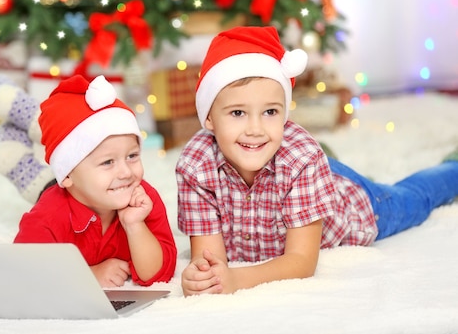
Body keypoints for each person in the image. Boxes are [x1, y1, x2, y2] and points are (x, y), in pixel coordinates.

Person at [176, 26, 458, 296]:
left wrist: (236, 279)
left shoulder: (301, 158)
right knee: (308, 158)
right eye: (238, 113)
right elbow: (208, 260)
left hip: (360, 205)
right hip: (300, 168)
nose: (255, 128)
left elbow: (301, 261)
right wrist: (203, 277)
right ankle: (330, 163)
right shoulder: (196, 165)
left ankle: (452, 166)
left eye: (270, 112)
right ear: (209, 119)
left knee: (415, 198)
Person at [14, 74, 177, 288]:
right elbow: (23, 272)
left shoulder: (143, 199)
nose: (126, 172)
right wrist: (88, 275)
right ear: (68, 174)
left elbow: (158, 275)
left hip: (81, 187)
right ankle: (20, 150)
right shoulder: (47, 216)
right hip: (61, 191)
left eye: (132, 156)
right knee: (40, 186)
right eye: (108, 162)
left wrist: (134, 225)